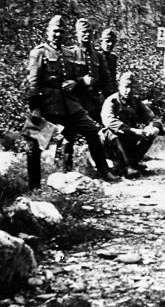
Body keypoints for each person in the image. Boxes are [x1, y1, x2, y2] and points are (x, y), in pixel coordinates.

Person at [25, 14, 117, 185]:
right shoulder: (39, 52)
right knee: (34, 143)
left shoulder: (69, 53)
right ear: (47, 32)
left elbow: (78, 77)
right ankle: (34, 186)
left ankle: (104, 172)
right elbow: (33, 84)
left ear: (66, 33)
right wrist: (36, 108)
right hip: (47, 105)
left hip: (70, 105)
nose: (58, 35)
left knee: (91, 131)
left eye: (61, 31)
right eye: (55, 31)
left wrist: (77, 81)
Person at [61, 17, 113, 172]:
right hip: (75, 102)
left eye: (89, 32)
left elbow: (106, 79)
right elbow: (65, 79)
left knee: (108, 128)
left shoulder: (98, 56)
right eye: (83, 32)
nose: (87, 35)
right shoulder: (70, 54)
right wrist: (80, 81)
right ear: (77, 34)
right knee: (69, 135)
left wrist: (111, 100)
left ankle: (113, 165)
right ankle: (65, 169)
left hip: (94, 102)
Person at [100, 71, 165, 178]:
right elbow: (109, 120)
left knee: (149, 134)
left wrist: (155, 127)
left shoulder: (136, 102)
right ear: (119, 86)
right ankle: (126, 167)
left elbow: (153, 117)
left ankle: (132, 164)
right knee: (110, 131)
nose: (129, 91)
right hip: (111, 144)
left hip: (128, 142)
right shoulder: (111, 101)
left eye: (132, 87)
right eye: (126, 87)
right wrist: (133, 130)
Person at [99, 27, 120, 94]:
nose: (110, 44)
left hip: (108, 92)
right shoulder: (95, 56)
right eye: (107, 41)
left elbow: (113, 79)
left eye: (113, 41)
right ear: (101, 42)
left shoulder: (113, 59)